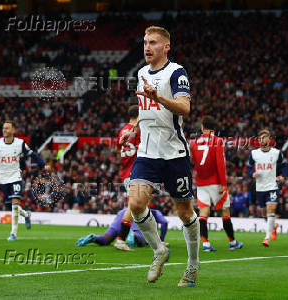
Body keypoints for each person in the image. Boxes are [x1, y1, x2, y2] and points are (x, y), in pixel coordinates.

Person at [119, 26, 199, 287]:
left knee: (185, 212)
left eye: (153, 42)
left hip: (174, 153)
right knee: (136, 204)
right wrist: (133, 130)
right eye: (144, 42)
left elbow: (185, 108)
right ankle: (159, 250)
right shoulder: (141, 73)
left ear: (166, 47)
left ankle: (192, 267)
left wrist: (160, 97)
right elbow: (145, 112)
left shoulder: (176, 72)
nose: (147, 47)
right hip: (147, 153)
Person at [190, 116, 243, 252]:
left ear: (203, 127)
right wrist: (223, 184)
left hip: (201, 182)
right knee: (225, 211)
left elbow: (193, 162)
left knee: (203, 212)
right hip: (215, 182)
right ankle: (232, 242)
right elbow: (220, 164)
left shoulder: (193, 143)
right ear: (214, 128)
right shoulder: (218, 141)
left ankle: (206, 243)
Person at [247, 129, 288, 247]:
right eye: (260, 138)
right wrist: (252, 173)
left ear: (269, 139)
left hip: (272, 186)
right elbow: (248, 167)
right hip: (260, 187)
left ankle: (266, 238)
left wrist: (282, 176)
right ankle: (273, 227)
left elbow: (284, 165)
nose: (261, 140)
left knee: (271, 209)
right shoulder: (254, 153)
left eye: (264, 137)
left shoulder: (276, 153)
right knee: (264, 212)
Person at [114, 105, 141, 251]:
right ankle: (120, 239)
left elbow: (118, 148)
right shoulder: (137, 130)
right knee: (133, 207)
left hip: (126, 171)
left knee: (141, 206)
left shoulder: (122, 130)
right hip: (135, 171)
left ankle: (155, 239)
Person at [75, 208, 168, 248]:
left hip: (122, 213)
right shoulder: (154, 212)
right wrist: (161, 240)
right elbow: (164, 222)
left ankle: (94, 238)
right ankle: (131, 234)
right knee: (142, 241)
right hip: (135, 216)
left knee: (106, 240)